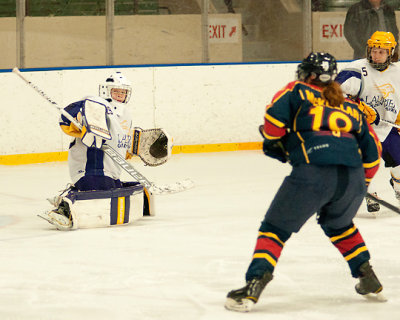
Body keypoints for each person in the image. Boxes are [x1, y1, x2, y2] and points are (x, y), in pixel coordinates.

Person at [224, 52, 384, 313]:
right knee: (340, 224)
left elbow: (273, 126)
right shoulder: (349, 105)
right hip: (353, 176)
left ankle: (254, 285)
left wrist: (280, 144)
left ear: (308, 75)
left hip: (314, 172)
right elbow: (373, 153)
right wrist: (361, 184)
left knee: (274, 229)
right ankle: (369, 278)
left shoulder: (296, 91)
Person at [38, 71, 170, 230]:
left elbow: (122, 147)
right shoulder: (95, 104)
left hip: (111, 171)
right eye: (116, 91)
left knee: (116, 189)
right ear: (106, 90)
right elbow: (67, 118)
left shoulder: (126, 115)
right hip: (90, 169)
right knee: (105, 192)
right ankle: (65, 207)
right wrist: (82, 124)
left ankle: (71, 194)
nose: (120, 95)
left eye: (123, 92)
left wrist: (138, 147)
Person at [336, 30, 400, 213]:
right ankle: (369, 192)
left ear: (391, 53)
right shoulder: (356, 70)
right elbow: (332, 94)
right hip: (361, 130)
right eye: (373, 50)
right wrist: (355, 107)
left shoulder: (398, 72)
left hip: (387, 128)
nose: (376, 55)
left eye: (381, 51)